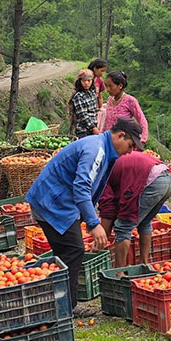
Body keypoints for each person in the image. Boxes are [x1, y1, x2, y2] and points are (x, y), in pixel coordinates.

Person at [26, 116, 142, 310]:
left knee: (66, 253)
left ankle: (58, 303)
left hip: (58, 202)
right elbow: (81, 188)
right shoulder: (95, 149)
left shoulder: (103, 148)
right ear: (121, 136)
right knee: (73, 250)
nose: (130, 151)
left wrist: (88, 219)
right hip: (51, 203)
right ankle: (64, 307)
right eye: (130, 145)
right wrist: (94, 222)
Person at [98, 150, 171, 266]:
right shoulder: (110, 160)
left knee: (123, 227)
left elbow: (107, 208)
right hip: (166, 176)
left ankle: (119, 273)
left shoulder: (100, 174)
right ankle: (144, 264)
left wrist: (101, 238)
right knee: (145, 221)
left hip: (151, 181)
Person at [99, 71, 149, 144]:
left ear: (120, 86)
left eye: (110, 86)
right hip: (108, 141)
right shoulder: (110, 99)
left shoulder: (130, 101)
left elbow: (142, 120)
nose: (108, 89)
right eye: (106, 86)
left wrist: (142, 140)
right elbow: (107, 121)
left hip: (122, 143)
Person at [68, 68, 100, 138]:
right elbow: (83, 115)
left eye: (89, 80)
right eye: (84, 81)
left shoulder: (92, 93)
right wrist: (93, 128)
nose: (86, 83)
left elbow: (92, 110)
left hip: (92, 128)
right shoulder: (78, 96)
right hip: (83, 131)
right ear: (80, 81)